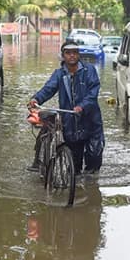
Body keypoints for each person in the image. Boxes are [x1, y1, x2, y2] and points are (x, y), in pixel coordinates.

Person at [28, 40, 104, 173]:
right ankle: (77, 189)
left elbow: (93, 92)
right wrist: (36, 99)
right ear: (63, 55)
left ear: (78, 55)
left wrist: (82, 106)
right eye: (68, 53)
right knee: (74, 164)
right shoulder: (59, 74)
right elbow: (48, 89)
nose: (72, 56)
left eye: (75, 52)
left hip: (91, 121)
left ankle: (91, 186)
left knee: (94, 156)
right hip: (70, 123)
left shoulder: (89, 70)